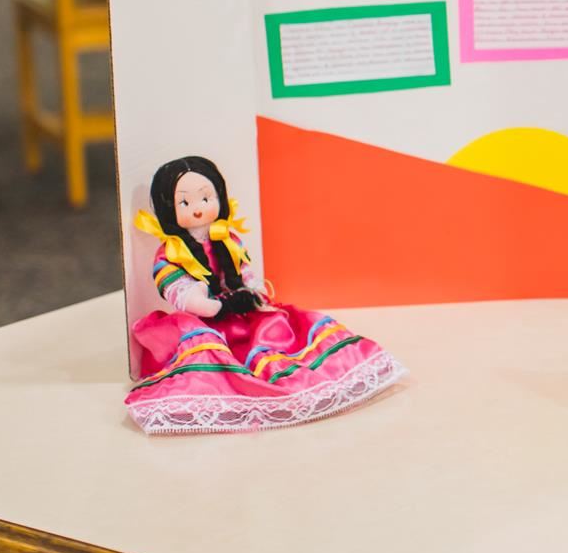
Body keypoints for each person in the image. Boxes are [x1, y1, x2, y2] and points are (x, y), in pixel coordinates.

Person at [125, 155, 405, 434]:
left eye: (205, 198)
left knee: (280, 330)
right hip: (204, 318)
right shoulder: (171, 252)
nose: (198, 209)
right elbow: (175, 286)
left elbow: (244, 270)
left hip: (238, 307)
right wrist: (199, 300)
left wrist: (252, 288)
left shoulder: (227, 238)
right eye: (185, 203)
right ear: (168, 208)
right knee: (204, 349)